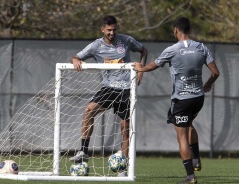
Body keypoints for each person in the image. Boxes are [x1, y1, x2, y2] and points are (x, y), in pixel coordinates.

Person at [132, 17, 219, 184]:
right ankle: (196, 158)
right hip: (198, 98)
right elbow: (215, 72)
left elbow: (154, 65)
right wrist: (208, 84)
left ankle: (190, 177)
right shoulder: (201, 47)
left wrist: (140, 68)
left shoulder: (172, 49)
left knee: (182, 137)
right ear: (189, 29)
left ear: (175, 30)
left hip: (181, 100)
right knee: (189, 125)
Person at [69, 15, 147, 177]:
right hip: (109, 89)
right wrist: (76, 60)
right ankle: (83, 151)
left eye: (114, 29)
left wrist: (141, 69)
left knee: (125, 129)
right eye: (109, 30)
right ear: (103, 29)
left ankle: (123, 169)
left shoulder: (126, 40)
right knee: (89, 110)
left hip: (126, 89)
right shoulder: (96, 45)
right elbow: (76, 57)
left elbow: (143, 50)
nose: (112, 33)